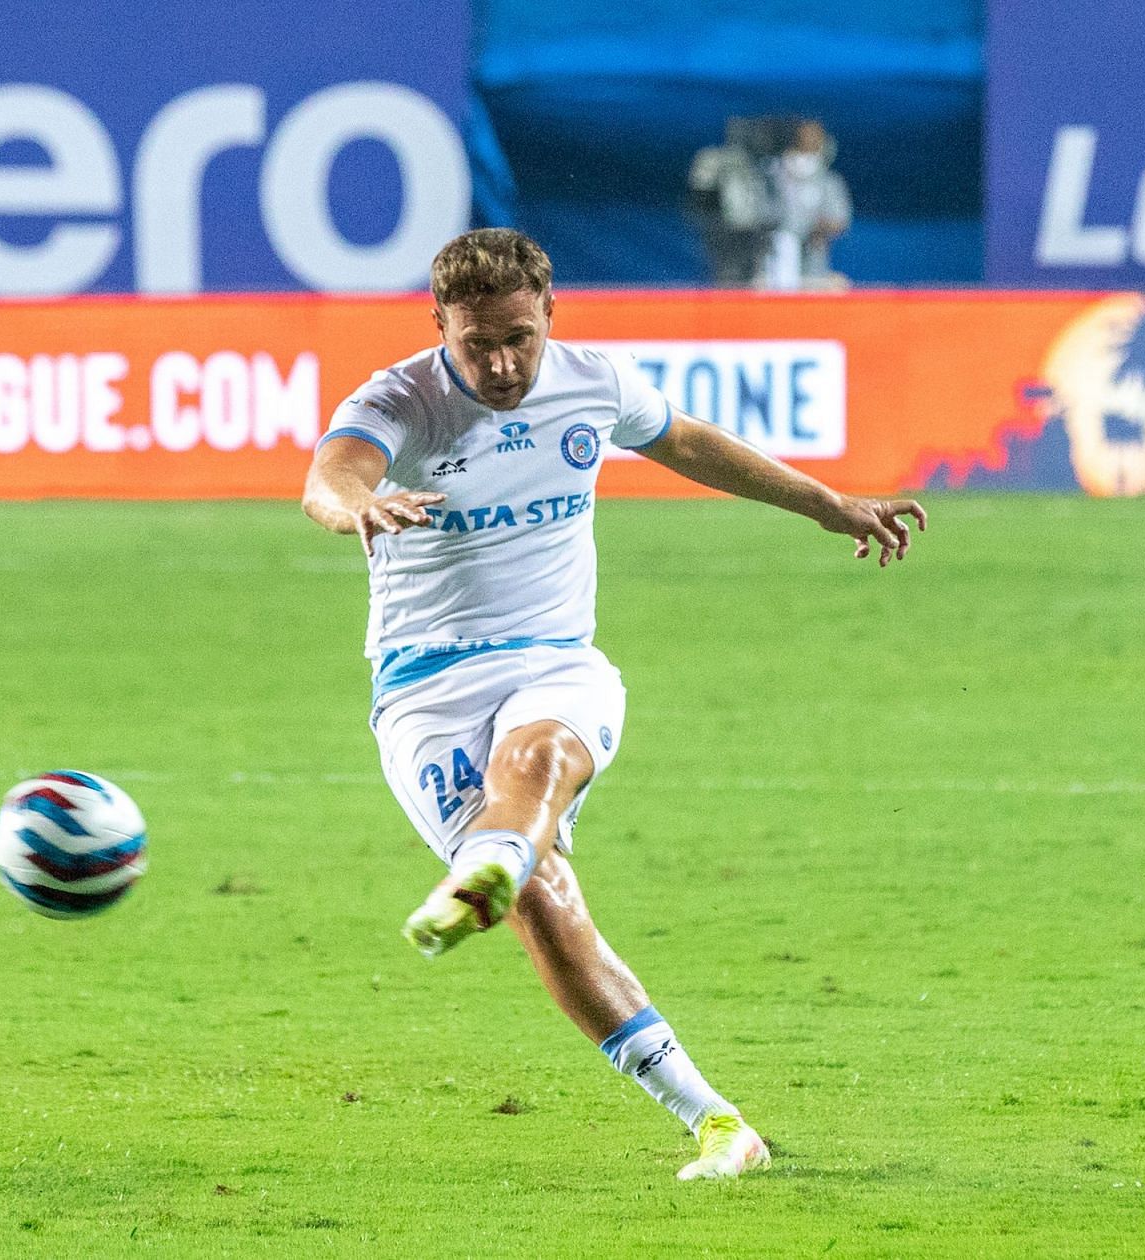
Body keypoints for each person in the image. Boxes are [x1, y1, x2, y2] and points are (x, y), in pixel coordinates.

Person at [300, 228, 925, 1181]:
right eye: (478, 344)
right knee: (546, 908)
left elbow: (690, 445)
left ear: (551, 314)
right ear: (439, 328)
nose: (503, 363)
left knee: (538, 754)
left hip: (555, 657)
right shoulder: (400, 399)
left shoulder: (595, 383)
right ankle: (720, 1123)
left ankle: (494, 857)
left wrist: (828, 505)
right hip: (423, 687)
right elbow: (333, 471)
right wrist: (357, 508)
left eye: (520, 335)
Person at [762, 119, 852, 291]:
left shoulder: (829, 182)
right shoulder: (773, 176)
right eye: (804, 135)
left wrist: (820, 227)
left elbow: (840, 221)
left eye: (815, 137)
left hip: (814, 267)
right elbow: (760, 216)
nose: (809, 140)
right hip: (776, 265)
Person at [685, 117, 775, 287]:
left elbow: (766, 199)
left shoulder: (760, 163)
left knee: (752, 275)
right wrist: (713, 224)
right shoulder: (714, 158)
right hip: (726, 228)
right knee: (728, 274)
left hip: (753, 228)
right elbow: (700, 194)